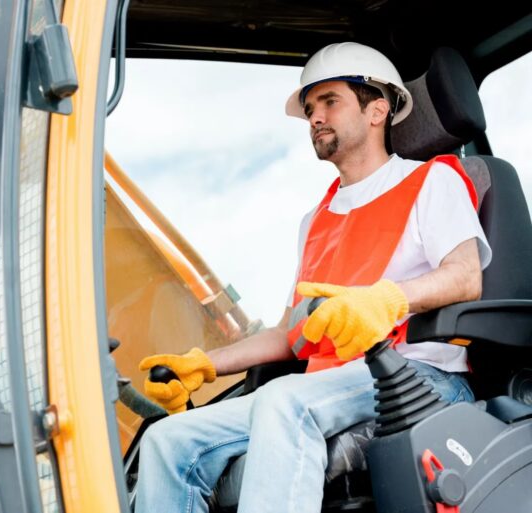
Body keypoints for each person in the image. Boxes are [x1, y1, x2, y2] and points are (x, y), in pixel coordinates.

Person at [134, 42, 492, 513]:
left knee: (284, 401)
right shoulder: (316, 221)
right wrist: (204, 364)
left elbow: (466, 277)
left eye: (330, 101)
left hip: (416, 377)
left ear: (377, 111)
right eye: (309, 110)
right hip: (328, 386)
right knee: (166, 440)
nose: (315, 118)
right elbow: (292, 333)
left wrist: (385, 300)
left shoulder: (431, 181)